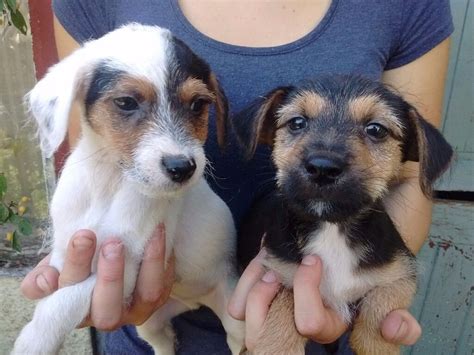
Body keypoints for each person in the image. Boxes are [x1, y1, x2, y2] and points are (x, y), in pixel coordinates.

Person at [21, 0, 453, 353]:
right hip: (134, 330)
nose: (326, 158)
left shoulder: (407, 6)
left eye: (373, 131)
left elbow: (412, 179)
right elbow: (91, 160)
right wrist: (77, 278)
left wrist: (355, 295)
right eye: (296, 124)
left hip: (303, 327)